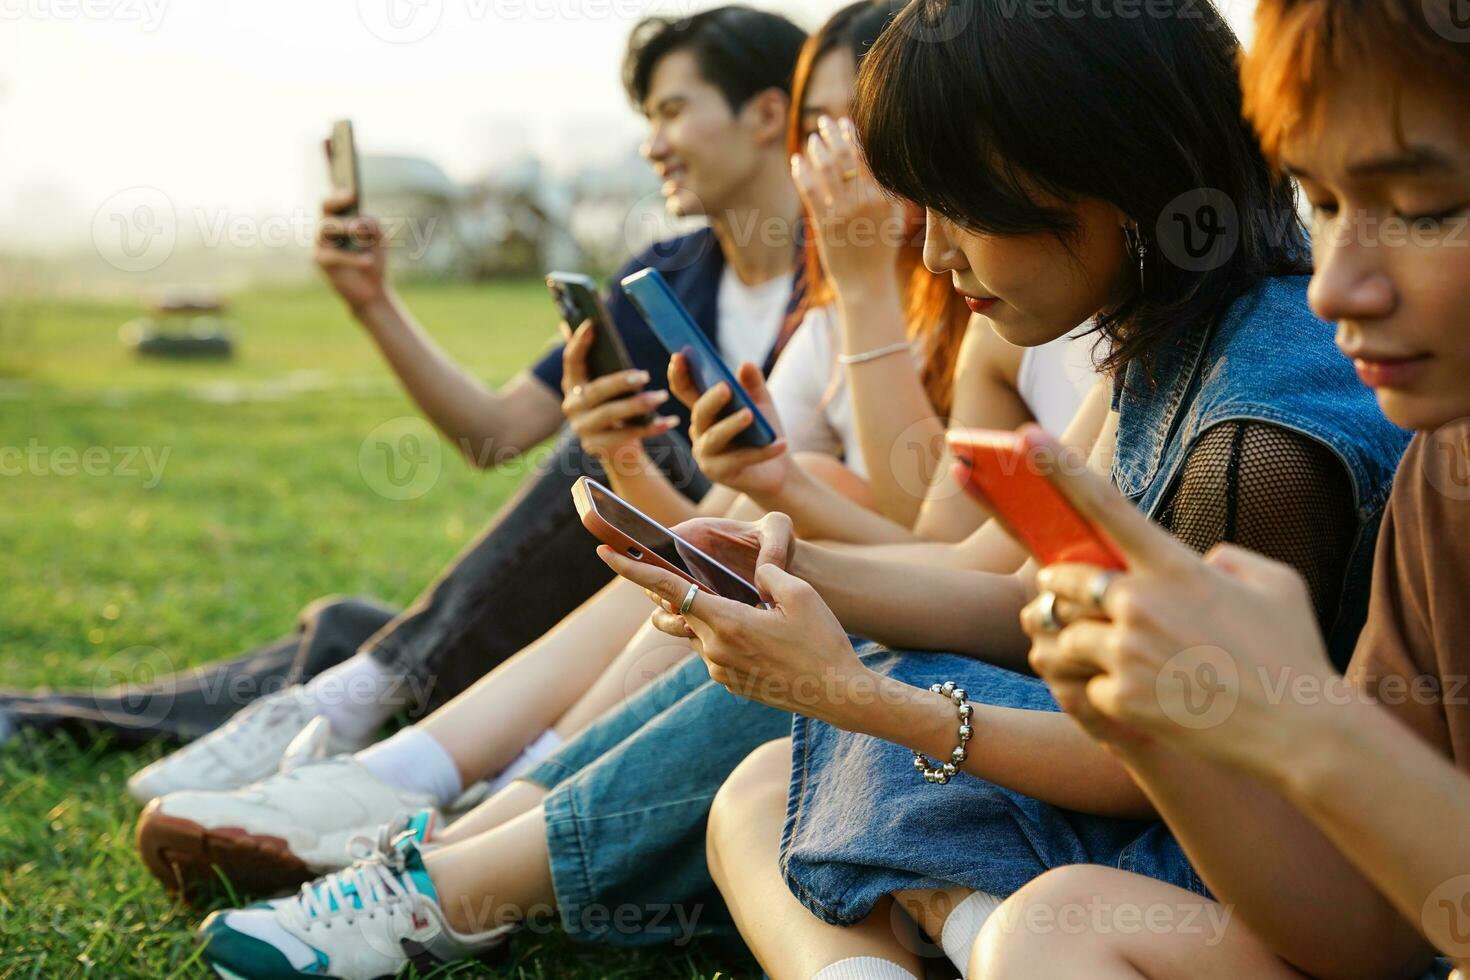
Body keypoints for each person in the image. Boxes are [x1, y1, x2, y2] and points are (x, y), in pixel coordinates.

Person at [184, 5, 1102, 976]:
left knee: (777, 624)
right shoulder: (685, 269)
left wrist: (783, 495)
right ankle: (426, 785)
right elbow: (965, 557)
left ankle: (432, 812)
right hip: (897, 635)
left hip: (1024, 716)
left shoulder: (953, 289)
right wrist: (701, 493)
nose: (844, 157)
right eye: (823, 124)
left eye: (866, 128)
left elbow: (937, 538)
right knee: (685, 525)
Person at [600, 0, 1415, 976]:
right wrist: (787, 565)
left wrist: (848, 688)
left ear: (1112, 171)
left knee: (843, 729)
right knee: (761, 789)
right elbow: (1022, 594)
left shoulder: (1256, 442)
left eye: (966, 208)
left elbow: (1160, 766)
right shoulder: (1170, 330)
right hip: (1174, 808)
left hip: (1238, 868)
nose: (937, 255)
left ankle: (961, 917)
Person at [20, 6, 807, 802]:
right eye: (648, 119)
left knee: (600, 476)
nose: (653, 144)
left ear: (767, 113)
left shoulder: (841, 289)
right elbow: (494, 434)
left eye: (673, 111)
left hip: (696, 609)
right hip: (584, 617)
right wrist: (373, 303)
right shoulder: (667, 277)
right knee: (361, 634)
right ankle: (60, 714)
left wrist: (628, 460)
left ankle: (358, 692)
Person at [966, 2, 1470, 979]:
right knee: (1049, 923)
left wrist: (1306, 719)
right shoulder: (1442, 473)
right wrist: (1156, 728)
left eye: (1419, 207)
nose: (1334, 286)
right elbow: (1368, 930)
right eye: (1320, 203)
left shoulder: (1266, 431)